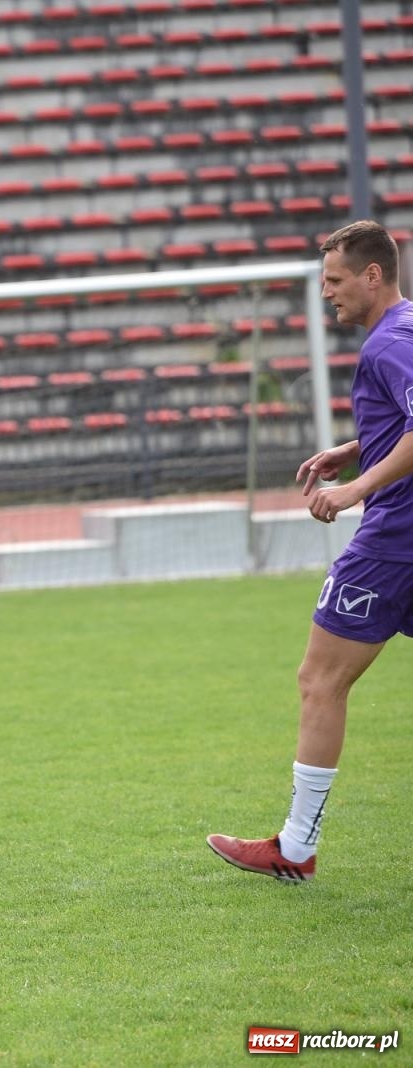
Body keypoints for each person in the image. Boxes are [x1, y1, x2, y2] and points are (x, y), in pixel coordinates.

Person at [209, 220, 412, 882]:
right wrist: (356, 447)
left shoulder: (390, 343)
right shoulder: (407, 328)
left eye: (335, 279)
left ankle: (295, 848)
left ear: (373, 275)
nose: (327, 292)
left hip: (394, 541)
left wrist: (355, 487)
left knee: (320, 680)